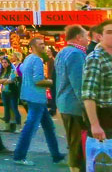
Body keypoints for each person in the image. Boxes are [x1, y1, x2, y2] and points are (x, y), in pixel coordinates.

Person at [13, 37, 66, 166]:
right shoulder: (36, 60)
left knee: (49, 127)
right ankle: (19, 156)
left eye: (43, 44)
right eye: (40, 44)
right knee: (30, 128)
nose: (43, 46)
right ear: (33, 47)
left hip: (33, 97)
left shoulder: (28, 58)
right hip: (36, 98)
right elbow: (38, 81)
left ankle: (56, 155)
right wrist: (52, 82)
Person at [55, 24, 89, 172]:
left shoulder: (62, 52)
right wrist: (86, 106)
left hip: (64, 103)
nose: (88, 39)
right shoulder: (76, 54)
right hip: (73, 105)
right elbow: (78, 83)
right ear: (78, 37)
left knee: (73, 141)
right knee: (77, 143)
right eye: (86, 36)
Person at [82, 19, 112, 143]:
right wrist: (95, 125)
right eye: (109, 32)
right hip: (105, 115)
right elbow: (88, 95)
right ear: (99, 36)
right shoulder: (96, 58)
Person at [0, 56, 20, 133]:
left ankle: (18, 126)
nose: (3, 64)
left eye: (5, 62)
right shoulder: (1, 71)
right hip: (4, 92)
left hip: (12, 92)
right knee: (6, 109)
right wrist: (5, 80)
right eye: (2, 62)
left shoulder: (12, 71)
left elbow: (10, 81)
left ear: (9, 63)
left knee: (14, 108)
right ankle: (7, 126)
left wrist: (2, 81)